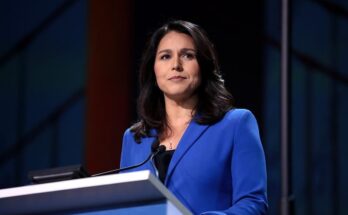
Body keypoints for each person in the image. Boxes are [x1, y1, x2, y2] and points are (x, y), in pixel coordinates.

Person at [120, 20, 268, 214]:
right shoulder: (134, 138)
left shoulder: (236, 124)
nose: (176, 65)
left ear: (203, 66)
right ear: (153, 70)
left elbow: (254, 204)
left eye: (187, 55)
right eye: (165, 56)